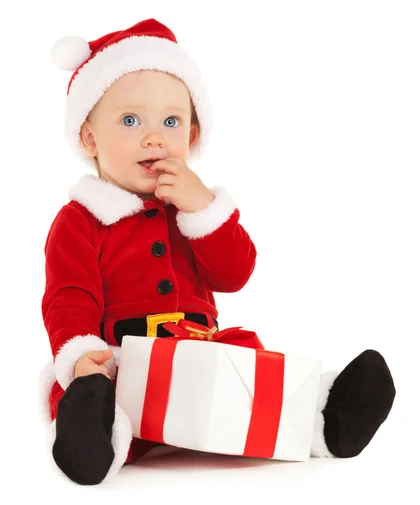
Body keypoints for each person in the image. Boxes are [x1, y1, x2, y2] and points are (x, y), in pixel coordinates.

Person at [38, 18, 396, 486]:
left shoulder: (193, 208)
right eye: (130, 121)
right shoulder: (82, 219)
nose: (154, 137)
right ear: (89, 139)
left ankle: (324, 422)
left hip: (202, 354)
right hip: (128, 361)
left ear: (191, 136)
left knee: (249, 363)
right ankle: (97, 439)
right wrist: (81, 357)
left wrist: (203, 210)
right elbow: (68, 297)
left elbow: (235, 274)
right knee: (96, 392)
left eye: (171, 122)